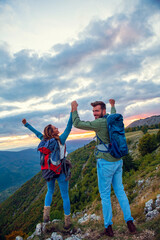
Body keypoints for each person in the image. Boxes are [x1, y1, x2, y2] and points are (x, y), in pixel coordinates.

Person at [71, 99, 136, 237]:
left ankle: (108, 227)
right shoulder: (111, 119)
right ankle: (130, 222)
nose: (94, 114)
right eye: (93, 111)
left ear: (103, 111)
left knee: (105, 196)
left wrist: (74, 108)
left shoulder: (99, 123)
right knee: (120, 192)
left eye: (97, 111)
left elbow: (77, 123)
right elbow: (114, 114)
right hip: (118, 161)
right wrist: (113, 106)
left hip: (105, 163)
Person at [22, 112, 72, 229]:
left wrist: (26, 124)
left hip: (49, 171)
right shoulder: (61, 139)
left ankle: (46, 217)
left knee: (49, 191)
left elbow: (37, 133)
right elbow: (69, 126)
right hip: (61, 171)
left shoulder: (44, 140)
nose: (57, 128)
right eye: (55, 128)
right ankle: (67, 222)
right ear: (52, 132)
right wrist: (72, 111)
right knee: (65, 196)